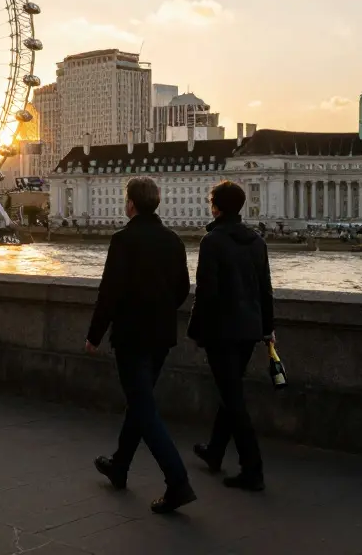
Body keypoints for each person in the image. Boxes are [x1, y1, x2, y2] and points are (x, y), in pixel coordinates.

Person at [85, 176, 197, 514]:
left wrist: (94, 334)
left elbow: (110, 292)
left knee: (144, 409)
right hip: (161, 335)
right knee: (141, 401)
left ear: (130, 203)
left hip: (132, 335)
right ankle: (119, 464)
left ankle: (177, 481)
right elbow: (182, 289)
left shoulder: (123, 239)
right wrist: (161, 311)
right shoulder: (173, 241)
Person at [187, 180, 274, 491]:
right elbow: (265, 289)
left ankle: (253, 468)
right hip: (249, 330)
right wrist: (267, 328)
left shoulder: (212, 242)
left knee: (233, 398)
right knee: (231, 390)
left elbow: (206, 292)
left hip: (222, 331)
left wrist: (196, 330)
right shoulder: (257, 242)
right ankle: (214, 451)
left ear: (217, 207)